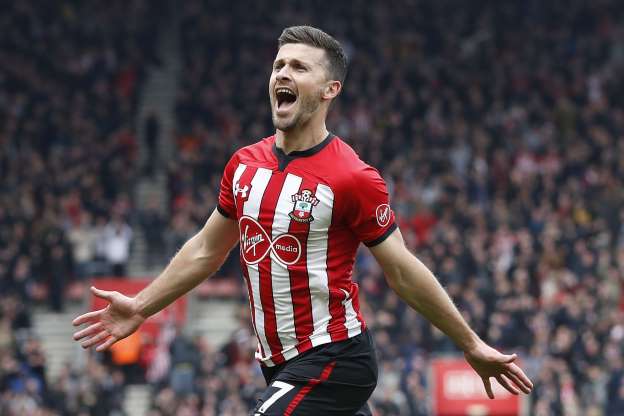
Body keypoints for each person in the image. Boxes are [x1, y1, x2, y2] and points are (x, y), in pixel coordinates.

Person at [73, 26, 533, 415]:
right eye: (278, 66)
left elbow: (402, 271)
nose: (283, 74)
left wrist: (470, 343)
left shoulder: (351, 177)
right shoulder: (243, 165)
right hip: (278, 363)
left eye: (299, 67)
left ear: (330, 89)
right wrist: (142, 306)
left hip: (336, 358)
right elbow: (206, 249)